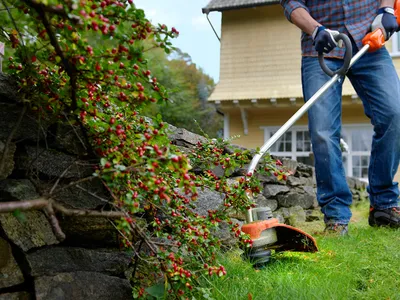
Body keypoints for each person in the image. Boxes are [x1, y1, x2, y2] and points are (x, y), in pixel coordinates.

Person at [280, 0, 400, 235]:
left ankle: (384, 204)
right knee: (323, 132)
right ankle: (336, 216)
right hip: (322, 47)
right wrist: (315, 29)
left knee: (394, 114)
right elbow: (291, 3)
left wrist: (385, 10)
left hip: (368, 43)